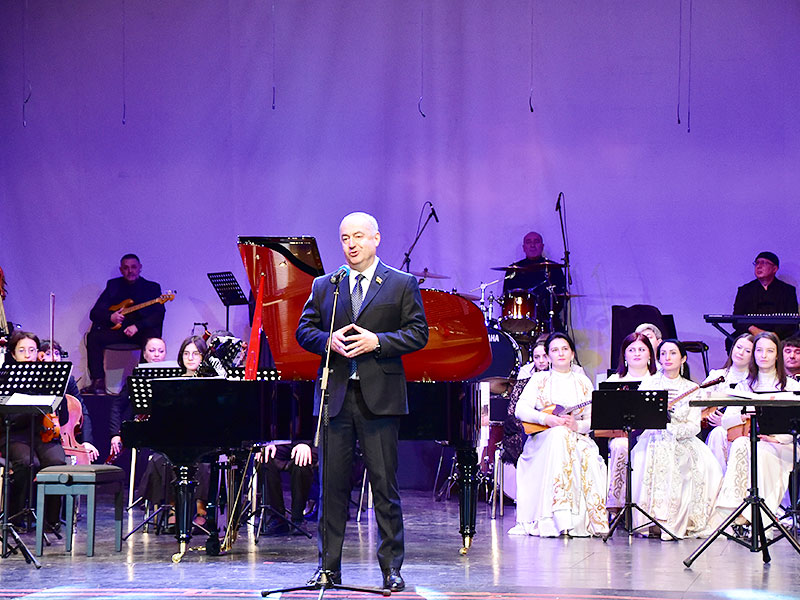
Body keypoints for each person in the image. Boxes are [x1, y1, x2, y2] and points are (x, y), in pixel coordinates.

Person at [296, 211, 428, 591]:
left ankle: (391, 569)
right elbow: (304, 330)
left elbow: (418, 333)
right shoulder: (327, 285)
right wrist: (328, 340)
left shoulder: (401, 283)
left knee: (384, 486)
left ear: (375, 238)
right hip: (335, 398)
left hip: (380, 400)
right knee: (331, 488)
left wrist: (378, 342)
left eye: (358, 236)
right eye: (344, 238)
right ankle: (328, 568)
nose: (351, 244)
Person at [509, 332, 609, 537]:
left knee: (577, 446)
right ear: (548, 356)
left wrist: (577, 425)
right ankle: (556, 517)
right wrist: (547, 419)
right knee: (558, 435)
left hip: (577, 438)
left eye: (565, 349)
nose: (560, 353)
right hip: (544, 439)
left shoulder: (583, 381)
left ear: (572, 354)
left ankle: (575, 520)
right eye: (555, 350)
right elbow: (520, 409)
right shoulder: (539, 379)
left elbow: (593, 419)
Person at [1, 332, 98, 532]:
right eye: (22, 350)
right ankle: (14, 517)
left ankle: (51, 520)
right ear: (13, 354)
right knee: (28, 463)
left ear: (38, 353)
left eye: (32, 350)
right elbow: (8, 418)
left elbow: (64, 419)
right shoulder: (6, 377)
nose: (27, 355)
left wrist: (56, 397)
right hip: (15, 434)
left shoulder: (49, 378)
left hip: (43, 433)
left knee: (57, 462)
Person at [704, 332, 800, 532]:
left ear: (777, 355)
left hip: (783, 444)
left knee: (761, 451)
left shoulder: (791, 386)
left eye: (770, 351)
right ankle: (737, 508)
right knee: (743, 444)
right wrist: (743, 416)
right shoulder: (744, 386)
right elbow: (726, 422)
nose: (764, 355)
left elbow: (796, 425)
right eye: (759, 350)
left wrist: (777, 439)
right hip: (753, 442)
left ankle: (755, 517)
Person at [631, 340, 722, 539]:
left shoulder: (692, 387)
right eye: (663, 353)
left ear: (683, 358)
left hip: (682, 439)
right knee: (652, 451)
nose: (667, 357)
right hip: (653, 437)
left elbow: (694, 426)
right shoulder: (649, 384)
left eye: (673, 353)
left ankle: (672, 522)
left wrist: (671, 429)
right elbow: (640, 417)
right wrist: (659, 416)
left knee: (689, 460)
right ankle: (650, 521)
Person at [82, 254, 166, 394]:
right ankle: (98, 382)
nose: (130, 271)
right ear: (121, 270)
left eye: (133, 267)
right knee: (93, 337)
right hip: (118, 332)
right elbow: (94, 313)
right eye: (126, 268)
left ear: (140, 268)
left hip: (141, 333)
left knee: (151, 338)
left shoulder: (151, 288)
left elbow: (159, 315)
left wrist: (137, 326)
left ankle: (144, 381)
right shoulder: (113, 286)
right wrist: (111, 317)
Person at [603, 332, 657, 514]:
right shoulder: (614, 381)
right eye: (632, 350)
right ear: (624, 355)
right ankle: (616, 505)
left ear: (650, 354)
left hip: (652, 434)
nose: (637, 353)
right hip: (623, 434)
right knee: (619, 445)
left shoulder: (658, 379)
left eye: (642, 349)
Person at [108, 336, 167, 459]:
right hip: (141, 436)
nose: (157, 355)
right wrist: (115, 434)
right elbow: (117, 406)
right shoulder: (136, 378)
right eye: (152, 350)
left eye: (161, 351)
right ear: (144, 354)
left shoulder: (171, 379)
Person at [701, 333, 753, 471]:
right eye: (738, 347)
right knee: (718, 433)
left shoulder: (754, 381)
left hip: (743, 429)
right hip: (714, 428)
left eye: (747, 351)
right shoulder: (717, 375)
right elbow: (699, 399)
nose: (740, 353)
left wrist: (726, 421)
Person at [502, 232, 567, 332]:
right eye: (528, 242)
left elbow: (561, 297)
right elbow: (506, 298)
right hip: (519, 322)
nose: (532, 245)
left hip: (548, 321)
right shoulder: (513, 270)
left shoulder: (554, 269)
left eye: (536, 241)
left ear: (542, 246)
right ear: (524, 247)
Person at [732, 252, 798, 342]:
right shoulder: (745, 290)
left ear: (774, 269)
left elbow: (792, 319)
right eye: (757, 263)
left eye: (764, 263)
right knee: (732, 341)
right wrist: (754, 330)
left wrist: (774, 334)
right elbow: (736, 318)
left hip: (780, 335)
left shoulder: (788, 290)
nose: (759, 266)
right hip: (751, 333)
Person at [258, 441, 317, 535]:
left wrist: (305, 444)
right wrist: (267, 443)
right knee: (265, 456)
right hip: (281, 443)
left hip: (308, 443)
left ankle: (298, 519)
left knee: (302, 459)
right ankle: (277, 517)